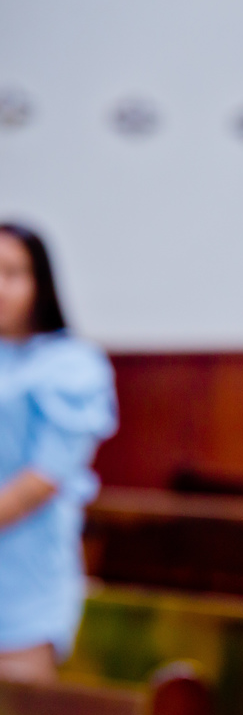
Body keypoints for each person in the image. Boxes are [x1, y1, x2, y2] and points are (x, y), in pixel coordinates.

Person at [0, 223, 117, 683]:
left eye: (11, 273)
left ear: (40, 282)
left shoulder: (71, 364)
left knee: (18, 713)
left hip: (24, 566)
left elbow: (45, 477)